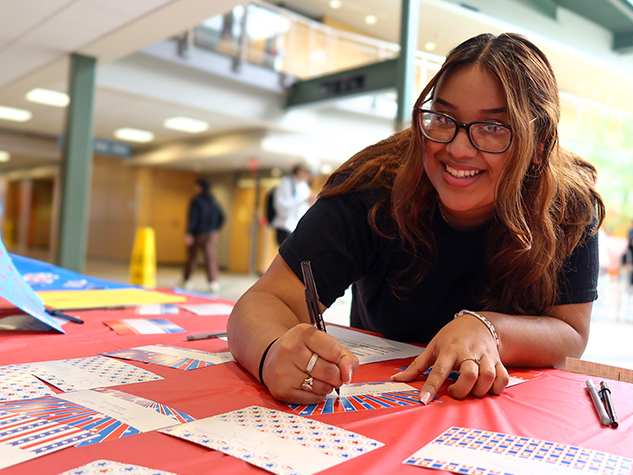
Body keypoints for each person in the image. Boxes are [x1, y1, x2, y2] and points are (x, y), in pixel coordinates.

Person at [227, 33, 604, 406]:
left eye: (493, 128)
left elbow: (571, 334)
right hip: (376, 400)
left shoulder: (568, 205)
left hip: (507, 412)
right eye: (443, 118)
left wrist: (490, 329)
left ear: (539, 144)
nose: (457, 148)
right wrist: (272, 354)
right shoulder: (374, 185)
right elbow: (264, 300)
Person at [183, 178, 225, 292]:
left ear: (200, 187)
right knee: (211, 258)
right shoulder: (214, 201)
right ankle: (213, 282)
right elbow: (222, 217)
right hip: (211, 234)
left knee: (192, 258)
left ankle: (187, 279)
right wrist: (214, 228)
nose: (195, 188)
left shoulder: (196, 200)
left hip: (197, 233)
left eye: (196, 186)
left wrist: (189, 233)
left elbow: (192, 218)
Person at [270, 164, 315, 245]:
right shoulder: (287, 182)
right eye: (308, 172)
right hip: (285, 227)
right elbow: (282, 208)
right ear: (299, 170)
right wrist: (304, 201)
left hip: (297, 228)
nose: (310, 176)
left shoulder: (305, 187)